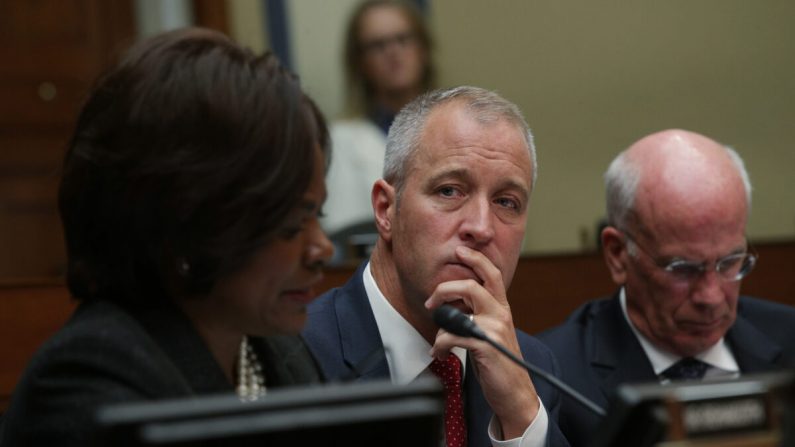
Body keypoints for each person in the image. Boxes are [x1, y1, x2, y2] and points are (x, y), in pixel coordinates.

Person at [0, 28, 334, 446]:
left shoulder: (280, 351)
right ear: (188, 220)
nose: (324, 248)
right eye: (291, 224)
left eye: (317, 214)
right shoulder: (89, 382)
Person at [304, 86, 569, 447]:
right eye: (449, 191)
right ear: (386, 210)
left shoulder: (533, 368)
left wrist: (522, 415)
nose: (481, 227)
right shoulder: (300, 358)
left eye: (506, 202)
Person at [538, 129, 795, 446]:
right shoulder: (550, 379)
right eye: (683, 269)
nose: (711, 297)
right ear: (618, 255)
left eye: (730, 262)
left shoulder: (789, 338)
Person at [322, 0, 435, 252]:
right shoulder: (340, 141)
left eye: (403, 38)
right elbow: (344, 237)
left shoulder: (461, 129)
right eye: (378, 45)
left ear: (424, 48)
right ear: (359, 62)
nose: (393, 52)